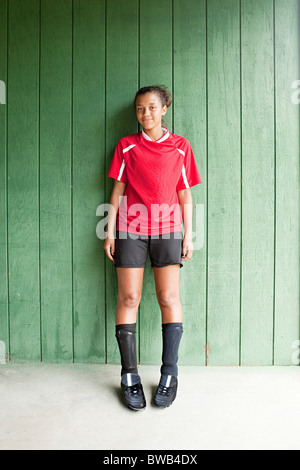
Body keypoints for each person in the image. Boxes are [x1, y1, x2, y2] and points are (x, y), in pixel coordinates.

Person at [104, 85, 202, 411]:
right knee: (129, 297)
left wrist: (189, 234)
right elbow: (117, 190)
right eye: (140, 109)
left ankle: (170, 374)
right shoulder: (126, 147)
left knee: (168, 298)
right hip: (131, 228)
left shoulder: (180, 147)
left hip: (169, 229)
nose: (146, 114)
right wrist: (110, 230)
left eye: (152, 108)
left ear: (164, 109)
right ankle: (129, 375)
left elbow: (185, 194)